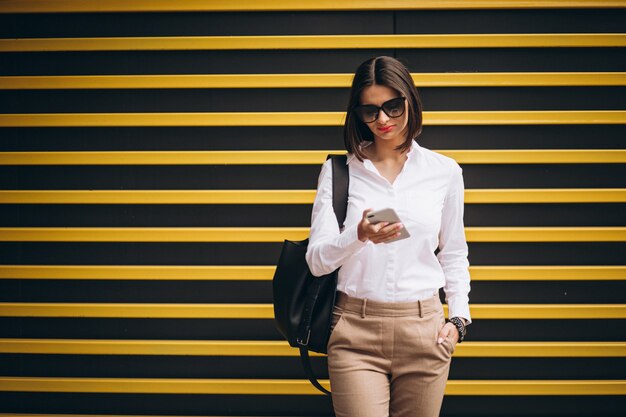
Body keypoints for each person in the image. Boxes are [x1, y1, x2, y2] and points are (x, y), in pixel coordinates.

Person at [305, 56, 472, 417]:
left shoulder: (444, 171)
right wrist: (359, 235)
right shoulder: (340, 170)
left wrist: (458, 319)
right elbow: (317, 262)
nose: (383, 120)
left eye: (393, 106)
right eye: (370, 110)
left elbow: (454, 253)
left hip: (425, 328)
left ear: (411, 100)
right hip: (355, 329)